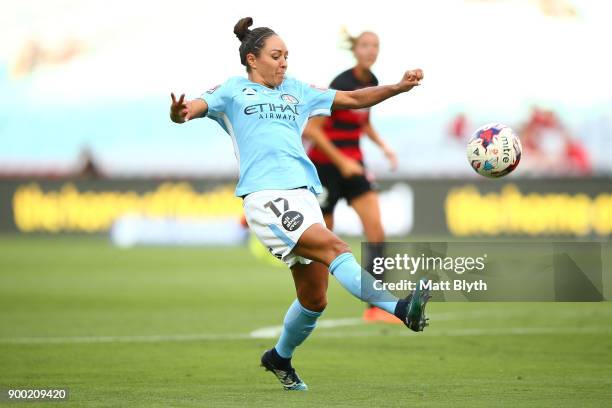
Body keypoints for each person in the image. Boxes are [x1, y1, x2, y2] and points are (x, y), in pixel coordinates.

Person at [169, 17, 429, 391]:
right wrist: (179, 113)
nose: (283, 63)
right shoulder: (232, 91)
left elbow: (354, 99)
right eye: (276, 56)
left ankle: (279, 357)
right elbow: (191, 109)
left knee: (315, 298)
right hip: (265, 197)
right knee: (336, 247)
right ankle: (400, 309)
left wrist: (398, 88)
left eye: (287, 56)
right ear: (251, 59)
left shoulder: (296, 90)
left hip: (304, 195)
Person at [303, 30, 399, 323]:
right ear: (355, 50)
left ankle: (376, 307)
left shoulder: (370, 83)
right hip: (326, 169)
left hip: (355, 166)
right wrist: (341, 161)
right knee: (323, 242)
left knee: (377, 231)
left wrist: (384, 147)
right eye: (366, 46)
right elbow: (312, 129)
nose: (371, 51)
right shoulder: (341, 84)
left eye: (376, 46)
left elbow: (363, 122)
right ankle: (313, 301)